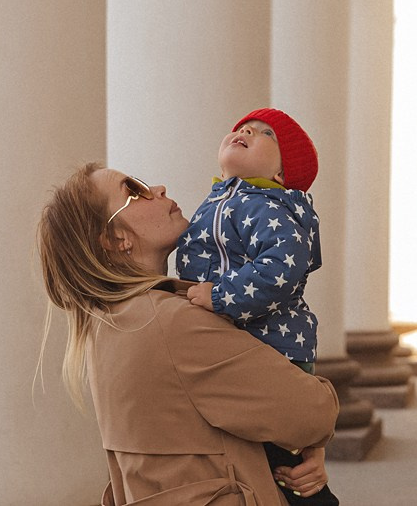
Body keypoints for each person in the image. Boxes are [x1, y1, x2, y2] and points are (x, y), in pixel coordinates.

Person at [37, 162, 339, 505]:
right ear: (115, 239)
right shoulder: (173, 323)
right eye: (133, 191)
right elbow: (312, 412)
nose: (159, 189)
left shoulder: (107, 325)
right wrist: (310, 436)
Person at [176, 109, 338, 506]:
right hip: (245, 346)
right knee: (271, 464)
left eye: (265, 134)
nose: (245, 130)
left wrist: (218, 296)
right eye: (242, 126)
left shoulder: (267, 205)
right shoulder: (220, 201)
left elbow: (281, 266)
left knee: (285, 467)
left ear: (282, 174)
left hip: (274, 348)